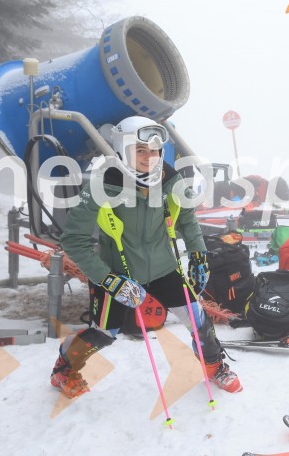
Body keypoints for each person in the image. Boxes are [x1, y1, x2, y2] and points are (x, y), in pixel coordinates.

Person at [52, 116, 242, 398]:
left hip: (163, 267)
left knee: (198, 320)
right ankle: (64, 369)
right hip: (117, 273)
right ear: (122, 148)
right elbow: (73, 240)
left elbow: (187, 217)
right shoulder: (102, 184)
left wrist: (198, 253)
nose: (149, 157)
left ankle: (215, 366)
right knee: (104, 334)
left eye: (154, 150)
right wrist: (108, 280)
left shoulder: (170, 179)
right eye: (140, 149)